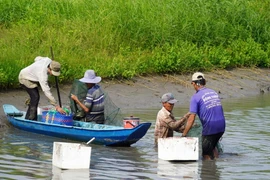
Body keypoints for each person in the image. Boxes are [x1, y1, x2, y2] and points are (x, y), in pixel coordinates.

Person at [182, 72, 226, 160]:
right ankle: (216, 164)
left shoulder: (195, 97)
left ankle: (208, 170)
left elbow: (191, 118)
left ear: (194, 83)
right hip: (222, 126)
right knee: (212, 146)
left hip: (210, 127)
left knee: (206, 155)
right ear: (204, 82)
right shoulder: (213, 92)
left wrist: (184, 134)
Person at [18, 56, 65, 120]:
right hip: (25, 78)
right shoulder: (42, 75)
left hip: (33, 77)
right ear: (49, 68)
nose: (52, 75)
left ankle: (30, 115)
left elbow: (37, 58)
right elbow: (46, 91)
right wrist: (56, 106)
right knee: (35, 97)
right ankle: (30, 119)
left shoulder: (48, 60)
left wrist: (36, 66)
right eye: (52, 73)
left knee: (34, 98)